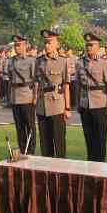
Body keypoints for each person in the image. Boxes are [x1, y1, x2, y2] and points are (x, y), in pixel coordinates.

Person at [76, 33, 107, 162]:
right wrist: (78, 103)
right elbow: (78, 85)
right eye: (87, 45)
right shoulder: (80, 63)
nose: (88, 48)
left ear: (98, 47)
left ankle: (100, 162)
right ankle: (91, 161)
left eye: (91, 45)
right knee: (88, 135)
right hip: (85, 104)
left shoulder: (104, 63)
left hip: (99, 103)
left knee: (100, 136)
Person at [35, 29, 71, 158]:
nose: (46, 45)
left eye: (50, 42)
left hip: (57, 105)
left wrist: (67, 108)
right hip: (41, 106)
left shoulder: (63, 61)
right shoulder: (38, 61)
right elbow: (36, 83)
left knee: (59, 142)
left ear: (57, 43)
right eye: (45, 43)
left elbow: (66, 85)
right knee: (45, 144)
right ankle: (47, 173)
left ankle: (61, 171)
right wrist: (34, 102)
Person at [8, 35, 37, 154]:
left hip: (27, 96)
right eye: (15, 45)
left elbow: (35, 81)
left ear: (25, 45)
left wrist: (35, 97)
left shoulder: (31, 61)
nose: (16, 48)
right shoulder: (11, 60)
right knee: (19, 127)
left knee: (30, 126)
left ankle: (30, 152)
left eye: (19, 45)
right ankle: (22, 150)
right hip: (15, 97)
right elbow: (10, 79)